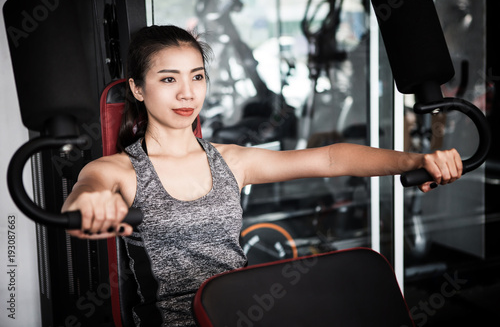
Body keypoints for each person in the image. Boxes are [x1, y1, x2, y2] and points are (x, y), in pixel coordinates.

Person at [62, 25, 463, 326]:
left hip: (240, 312)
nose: (187, 93)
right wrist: (89, 204)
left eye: (197, 76)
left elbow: (330, 160)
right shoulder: (120, 170)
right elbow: (86, 190)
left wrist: (415, 161)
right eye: (169, 79)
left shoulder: (231, 161)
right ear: (137, 88)